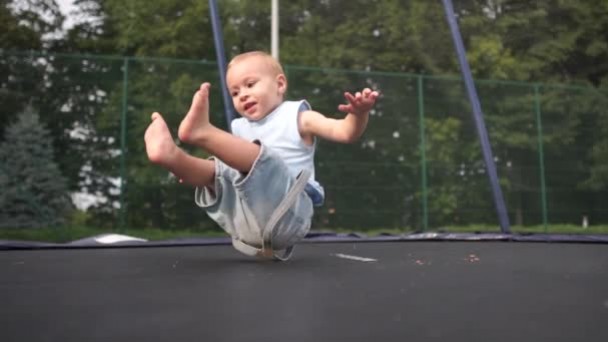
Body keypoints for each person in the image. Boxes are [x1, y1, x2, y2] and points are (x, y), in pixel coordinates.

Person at [144, 51, 379, 260]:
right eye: (235, 92)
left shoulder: (297, 116)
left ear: (280, 84)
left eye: (250, 84)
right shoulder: (239, 127)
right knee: (219, 170)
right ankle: (173, 158)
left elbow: (345, 132)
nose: (243, 95)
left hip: (290, 213)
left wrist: (359, 115)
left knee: (264, 159)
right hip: (246, 221)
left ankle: (201, 134)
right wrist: (199, 174)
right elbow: (227, 178)